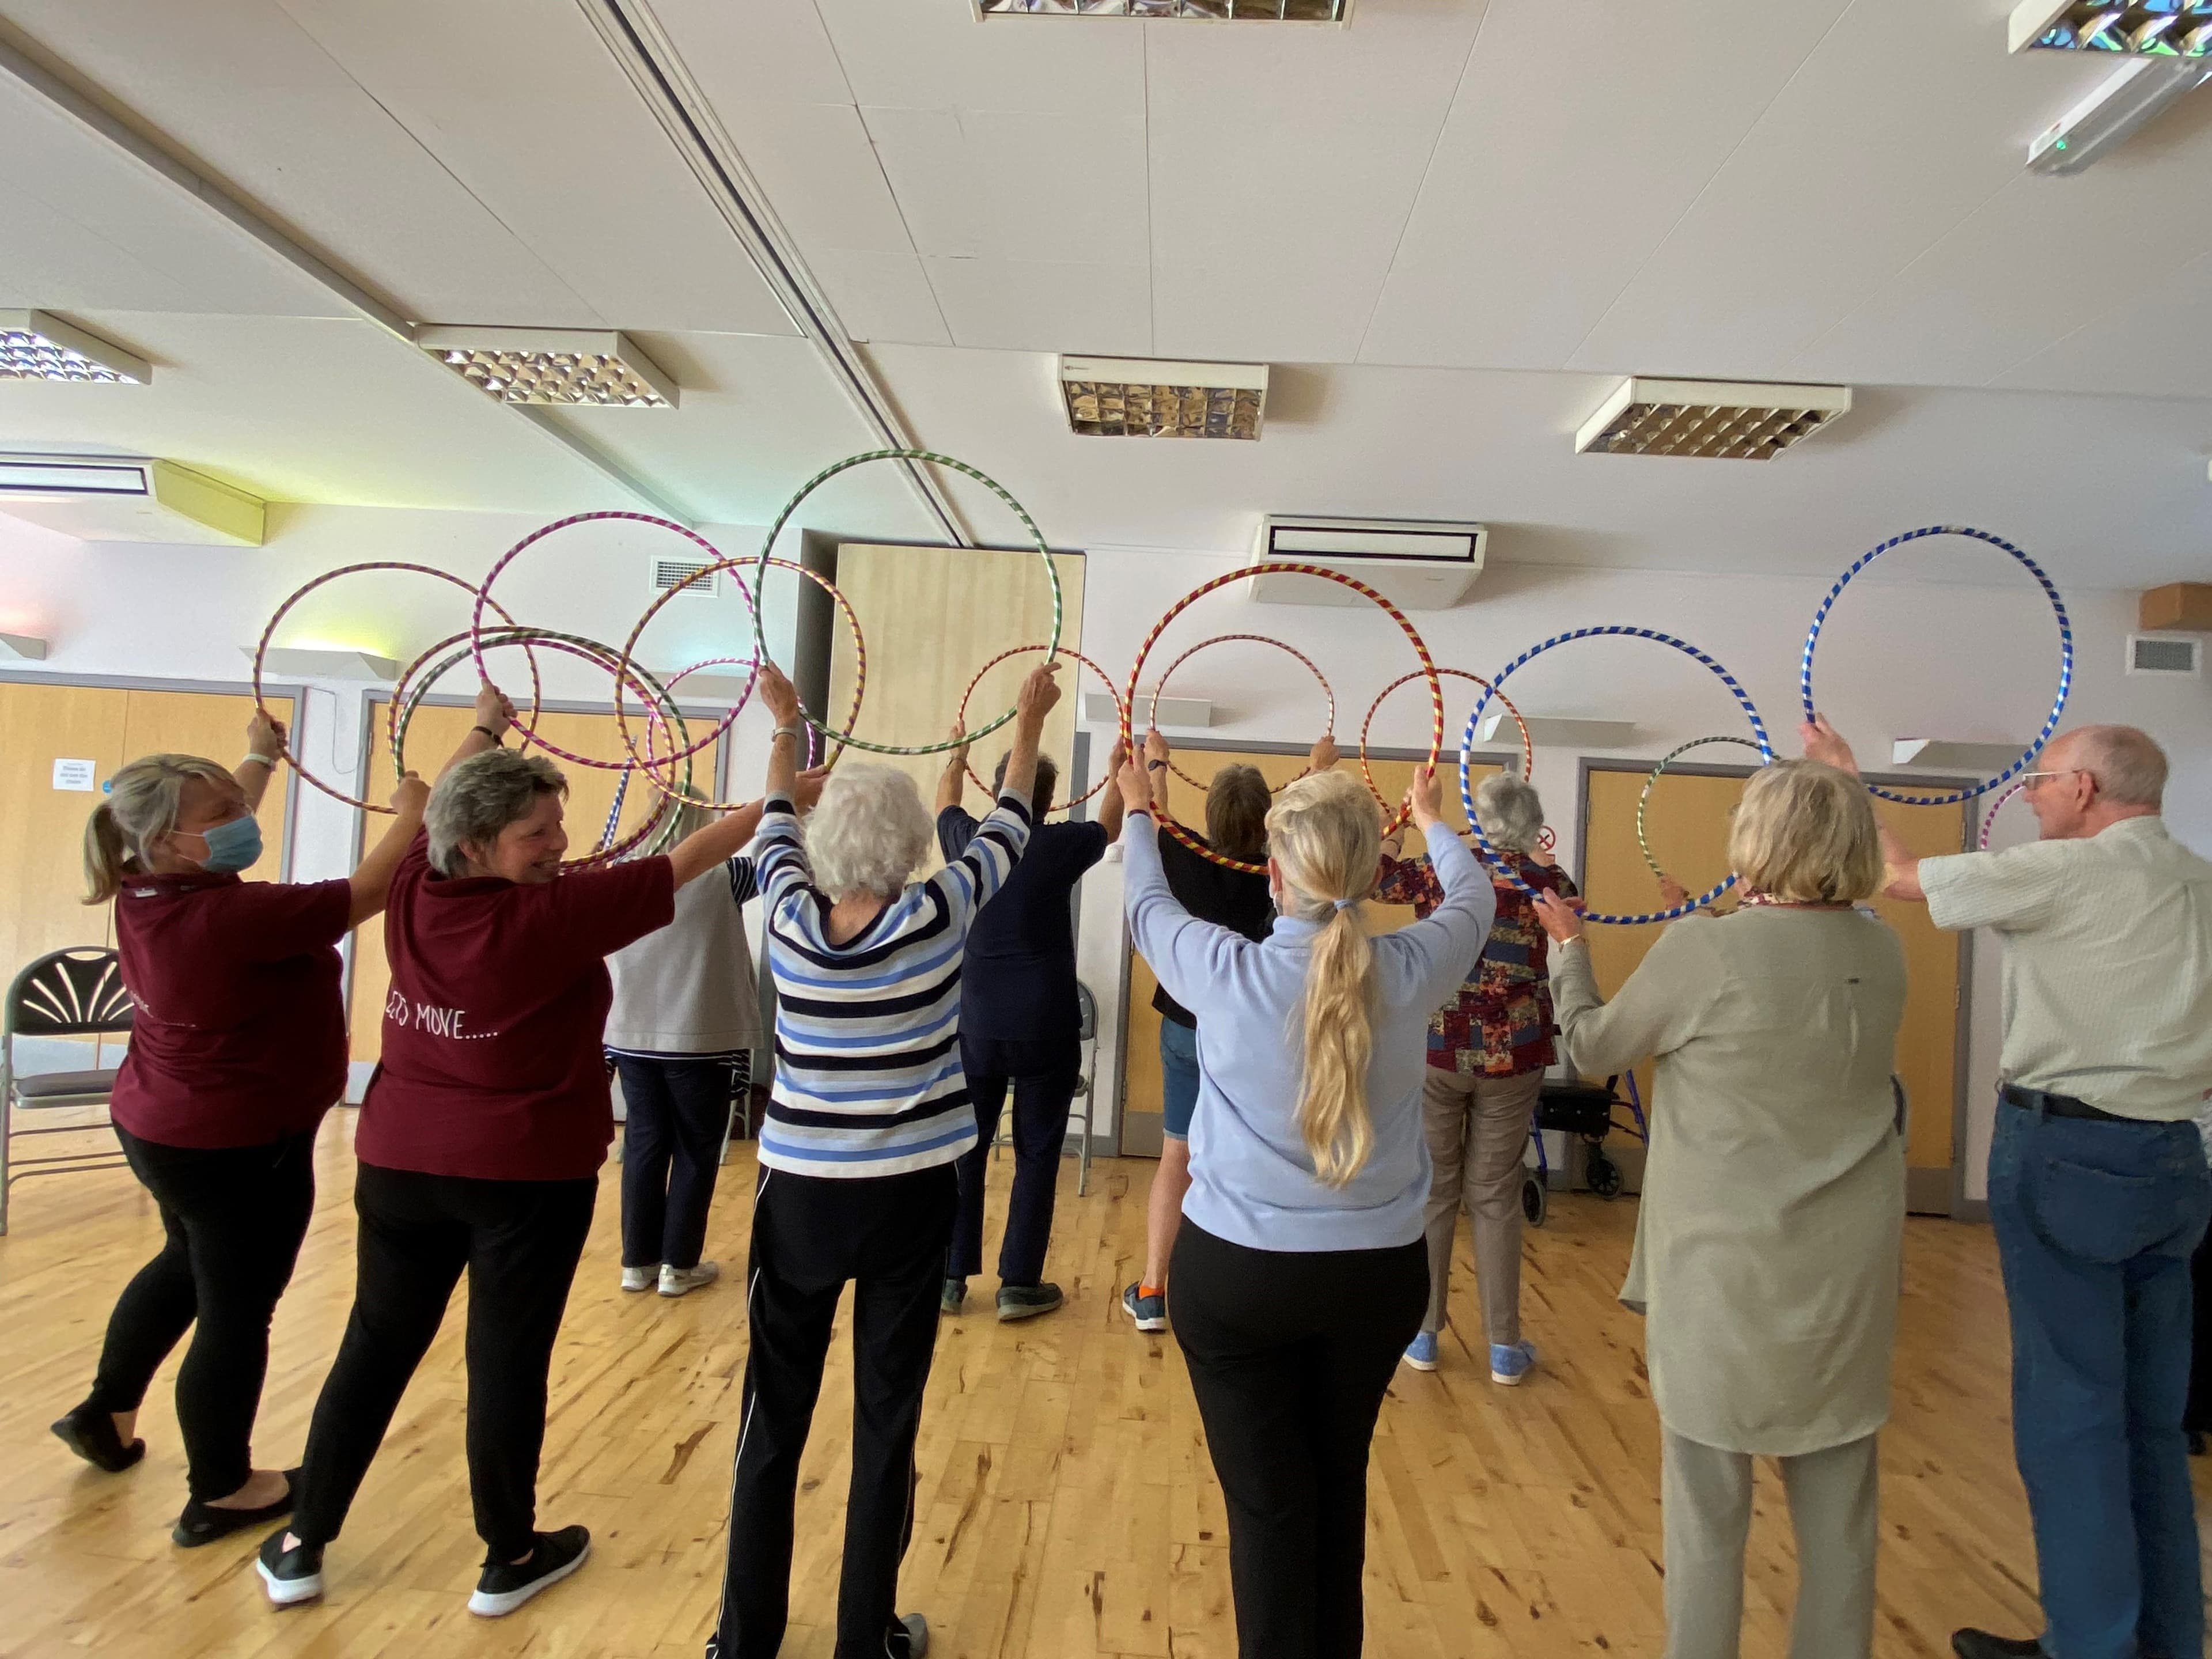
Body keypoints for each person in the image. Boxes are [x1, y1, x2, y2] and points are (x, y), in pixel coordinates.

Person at [256, 685, 816, 1618]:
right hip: (523, 1177)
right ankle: (506, 1556)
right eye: (538, 833)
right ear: (476, 845)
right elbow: (695, 857)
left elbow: (425, 800)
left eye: (558, 824)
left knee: (377, 1344)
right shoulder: (550, 920)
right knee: (505, 1359)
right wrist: (786, 795)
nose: (559, 844)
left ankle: (303, 1539)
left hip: (399, 1164)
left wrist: (486, 723)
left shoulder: (411, 888)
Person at [1802, 718, 2212, 1659]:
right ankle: (2164, 1642)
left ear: (2087, 792)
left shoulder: (2073, 872)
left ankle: (2088, 1646)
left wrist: (1845, 778)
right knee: (2152, 1425)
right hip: (2178, 1166)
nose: (2029, 793)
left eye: (2044, 779)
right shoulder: (2199, 879)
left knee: (2072, 1422)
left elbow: (1901, 880)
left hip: (2071, 1159)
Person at [710, 658, 1059, 1659]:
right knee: (886, 1418)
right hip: (912, 1197)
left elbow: (775, 814)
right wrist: (1028, 725)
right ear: (911, 847)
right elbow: (1011, 826)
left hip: (800, 1201)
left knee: (771, 1420)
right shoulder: (939, 912)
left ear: (823, 845)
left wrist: (786, 724)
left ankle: (745, 1643)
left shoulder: (782, 911)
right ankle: (865, 1640)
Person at [1119, 754, 1492, 1659]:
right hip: (1378, 1282)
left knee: (1271, 1512)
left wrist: (1140, 810)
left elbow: (1143, 903)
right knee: (1336, 1488)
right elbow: (1473, 898)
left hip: (1238, 1283)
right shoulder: (1411, 967)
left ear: (1274, 875)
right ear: (1368, 874)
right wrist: (1432, 816)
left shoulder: (1221, 968)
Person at [1532, 756, 1906, 1659]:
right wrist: (1703, 923)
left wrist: (1569, 950)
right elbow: (1787, 1003)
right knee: (1842, 1515)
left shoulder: (1707, 951)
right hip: (1848, 1278)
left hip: (1724, 1275)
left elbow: (1589, 1044)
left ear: (1758, 842)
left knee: (1707, 1511)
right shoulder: (1881, 948)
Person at [52, 716, 425, 1549]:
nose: (239, 819)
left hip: (165, 1123)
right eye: (219, 813)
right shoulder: (225, 919)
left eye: (235, 803)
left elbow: (215, 820)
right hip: (235, 1140)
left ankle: (106, 1412)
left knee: (187, 1264)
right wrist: (414, 812)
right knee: (236, 1311)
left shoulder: (146, 882)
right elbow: (366, 892)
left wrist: (259, 758)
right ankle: (221, 1487)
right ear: (171, 840)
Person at [1122, 732, 1330, 1335]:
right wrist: (1316, 771)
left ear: (1211, 814)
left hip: (1187, 1025)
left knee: (1177, 1155)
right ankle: (1258, 1282)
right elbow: (1316, 831)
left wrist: (1156, 764)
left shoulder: (1186, 853)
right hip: (1256, 1027)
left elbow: (1154, 818)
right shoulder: (1284, 867)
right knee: (1255, 1152)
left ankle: (1156, 1288)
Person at [1377, 770, 1574, 1384]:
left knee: (1435, 1189)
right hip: (1515, 1055)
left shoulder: (1445, 866)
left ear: (1476, 816)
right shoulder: (1548, 880)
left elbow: (1377, 880)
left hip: (1439, 1047)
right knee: (1495, 1193)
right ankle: (1504, 1347)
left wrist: (1401, 826)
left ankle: (1424, 1335)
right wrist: (1536, 859)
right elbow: (1571, 920)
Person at [935, 726, 1125, 1322]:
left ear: (998, 792)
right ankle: (1018, 1284)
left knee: (966, 1147)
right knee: (1038, 1152)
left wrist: (956, 755)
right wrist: (1119, 770)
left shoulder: (970, 844)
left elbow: (943, 802)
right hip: (1045, 1021)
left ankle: (948, 1277)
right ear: (1047, 799)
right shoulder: (1058, 844)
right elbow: (1111, 825)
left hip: (980, 1022)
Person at [605, 799, 763, 1299]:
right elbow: (784, 858)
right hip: (700, 1038)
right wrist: (786, 806)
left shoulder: (619, 875)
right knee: (696, 1149)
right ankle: (679, 1264)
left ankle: (638, 1262)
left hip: (632, 1035)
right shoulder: (727, 876)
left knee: (644, 1144)